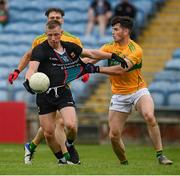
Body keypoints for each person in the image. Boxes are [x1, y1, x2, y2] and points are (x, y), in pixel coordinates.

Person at [24, 20, 128, 165]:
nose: (53, 38)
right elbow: (31, 69)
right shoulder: (40, 50)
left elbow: (91, 53)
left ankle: (69, 145)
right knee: (48, 133)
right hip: (44, 95)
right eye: (50, 35)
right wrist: (29, 81)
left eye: (56, 35)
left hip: (63, 92)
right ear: (46, 34)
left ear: (61, 33)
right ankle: (62, 159)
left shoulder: (70, 47)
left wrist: (112, 56)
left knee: (71, 126)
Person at [84, 16, 173, 165]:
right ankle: (124, 164)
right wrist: (76, 64)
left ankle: (160, 155)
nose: (112, 32)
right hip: (119, 95)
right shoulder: (108, 47)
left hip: (138, 91)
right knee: (113, 135)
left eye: (116, 29)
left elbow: (121, 69)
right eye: (112, 29)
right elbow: (90, 59)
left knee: (149, 115)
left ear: (126, 31)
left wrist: (96, 69)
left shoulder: (135, 49)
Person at [8, 7, 89, 165]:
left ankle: (33, 146)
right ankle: (67, 157)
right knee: (55, 124)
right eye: (53, 17)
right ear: (47, 20)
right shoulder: (40, 40)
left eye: (58, 17)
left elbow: (82, 58)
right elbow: (29, 56)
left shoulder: (73, 40)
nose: (56, 19)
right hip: (45, 87)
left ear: (62, 20)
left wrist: (84, 71)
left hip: (64, 85)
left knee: (57, 123)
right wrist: (18, 70)